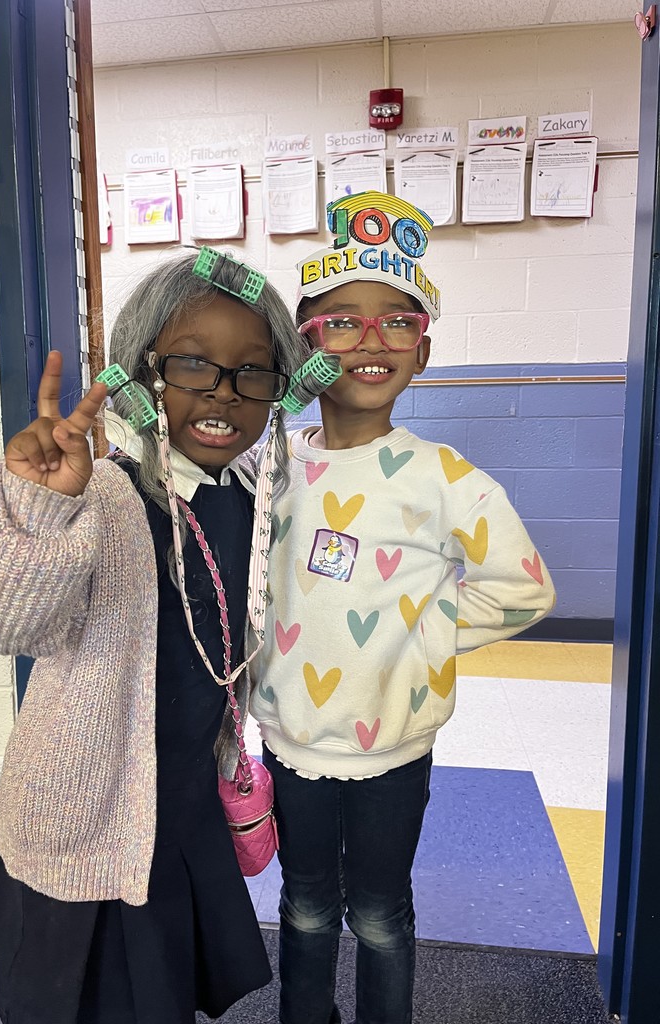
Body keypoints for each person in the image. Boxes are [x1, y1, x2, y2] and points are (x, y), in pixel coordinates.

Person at [0, 248, 307, 1024]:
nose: (224, 393)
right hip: (83, 826)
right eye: (193, 364)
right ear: (142, 370)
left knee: (161, 994)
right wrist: (34, 506)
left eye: (252, 372)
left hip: (180, 814)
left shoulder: (250, 500)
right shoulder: (101, 498)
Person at [249, 191, 557, 1024]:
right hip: (289, 737)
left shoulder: (443, 477)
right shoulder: (270, 468)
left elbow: (524, 586)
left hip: (394, 742)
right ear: (305, 348)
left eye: (397, 323)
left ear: (422, 352)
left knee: (381, 912)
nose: (371, 341)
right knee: (305, 905)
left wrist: (420, 634)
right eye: (342, 323)